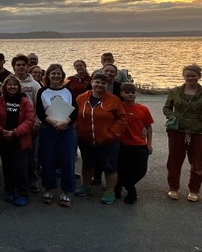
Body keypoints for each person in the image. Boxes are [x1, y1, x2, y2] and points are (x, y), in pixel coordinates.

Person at [74, 73, 127, 204]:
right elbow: (74, 116)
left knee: (109, 166)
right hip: (86, 139)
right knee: (87, 164)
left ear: (107, 85)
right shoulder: (81, 99)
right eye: (97, 82)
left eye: (103, 83)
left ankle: (110, 191)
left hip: (108, 141)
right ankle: (86, 186)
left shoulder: (114, 100)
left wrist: (112, 134)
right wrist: (78, 132)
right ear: (91, 82)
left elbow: (122, 118)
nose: (100, 85)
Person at [35, 64, 78, 207]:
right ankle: (48, 189)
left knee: (67, 160)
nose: (56, 76)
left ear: (62, 75)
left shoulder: (68, 91)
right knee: (48, 160)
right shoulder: (42, 91)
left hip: (66, 130)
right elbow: (40, 112)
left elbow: (74, 111)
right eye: (53, 73)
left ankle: (67, 191)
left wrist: (65, 122)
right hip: (49, 129)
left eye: (59, 73)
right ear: (48, 75)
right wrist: (53, 123)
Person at [0, 76, 35, 207]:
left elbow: (29, 120)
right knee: (7, 167)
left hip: (20, 140)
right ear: (4, 87)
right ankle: (9, 190)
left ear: (19, 87)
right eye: (9, 85)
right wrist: (2, 131)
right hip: (4, 140)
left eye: (15, 85)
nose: (12, 87)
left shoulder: (24, 101)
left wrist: (15, 132)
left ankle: (23, 193)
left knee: (21, 168)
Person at [163, 64, 202, 202]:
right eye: (188, 75)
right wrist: (172, 116)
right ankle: (173, 188)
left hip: (198, 131)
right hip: (177, 130)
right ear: (183, 76)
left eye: (193, 75)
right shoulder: (174, 91)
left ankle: (194, 189)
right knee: (174, 160)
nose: (190, 78)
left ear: (199, 76)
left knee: (198, 162)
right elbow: (167, 108)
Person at [115, 83, 154, 204]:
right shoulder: (118, 107)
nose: (130, 94)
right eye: (127, 92)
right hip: (123, 145)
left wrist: (149, 144)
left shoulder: (143, 109)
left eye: (133, 92)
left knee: (141, 170)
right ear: (121, 94)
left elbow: (148, 127)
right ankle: (130, 191)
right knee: (122, 168)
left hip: (139, 144)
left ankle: (124, 183)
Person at [12, 54, 41, 192]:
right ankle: (16, 179)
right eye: (18, 65)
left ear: (27, 66)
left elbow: (38, 105)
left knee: (32, 155)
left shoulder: (34, 84)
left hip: (30, 126)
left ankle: (32, 179)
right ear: (14, 67)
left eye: (23, 65)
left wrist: (36, 123)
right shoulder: (10, 82)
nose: (21, 67)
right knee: (15, 155)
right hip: (13, 125)